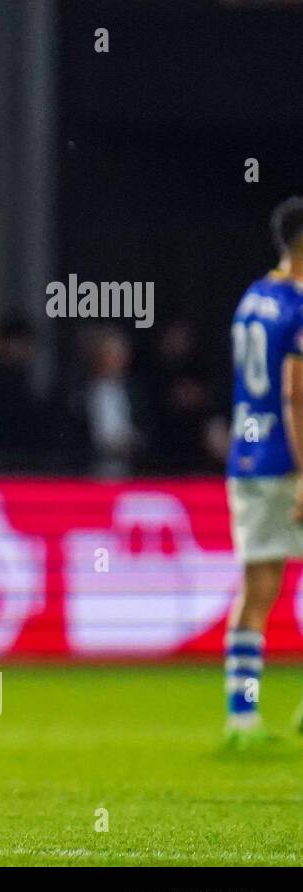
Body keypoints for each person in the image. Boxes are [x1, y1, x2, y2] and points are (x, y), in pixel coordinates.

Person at [223, 196, 303, 746]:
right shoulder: (299, 306)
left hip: (246, 456)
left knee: (257, 591)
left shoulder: (253, 299)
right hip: (289, 458)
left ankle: (242, 716)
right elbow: (294, 396)